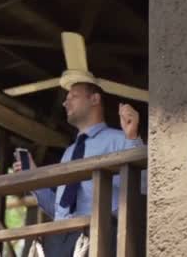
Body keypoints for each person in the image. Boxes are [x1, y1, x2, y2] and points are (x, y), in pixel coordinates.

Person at [13, 69, 144, 256]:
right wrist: (34, 178)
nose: (65, 102)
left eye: (73, 96)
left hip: (101, 238)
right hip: (59, 241)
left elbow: (145, 186)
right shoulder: (68, 153)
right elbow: (60, 210)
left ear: (94, 99)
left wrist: (133, 138)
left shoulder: (120, 140)